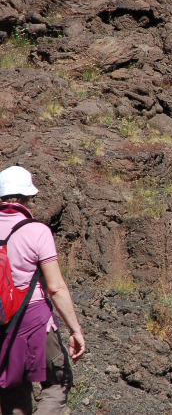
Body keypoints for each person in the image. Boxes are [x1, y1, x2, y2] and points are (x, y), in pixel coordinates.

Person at [0, 166, 85, 414]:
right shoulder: (37, 231)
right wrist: (75, 330)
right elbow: (56, 288)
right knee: (58, 384)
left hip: (2, 323)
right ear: (27, 198)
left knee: (12, 392)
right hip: (35, 319)